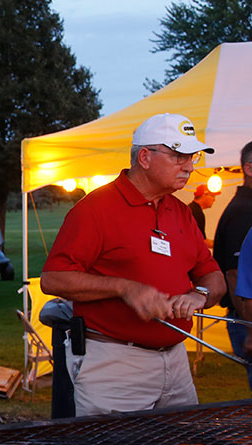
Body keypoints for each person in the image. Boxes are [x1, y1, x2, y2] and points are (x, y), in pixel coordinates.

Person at [40, 113, 226, 416]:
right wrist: (123, 287)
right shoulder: (96, 209)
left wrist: (200, 295)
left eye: (191, 157)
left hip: (177, 361)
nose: (190, 166)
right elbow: (54, 279)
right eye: (179, 156)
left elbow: (213, 275)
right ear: (145, 157)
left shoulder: (179, 211)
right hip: (115, 365)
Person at [212, 140, 252, 389]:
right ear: (249, 168)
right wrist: (250, 330)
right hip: (245, 317)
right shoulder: (244, 211)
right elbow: (236, 274)